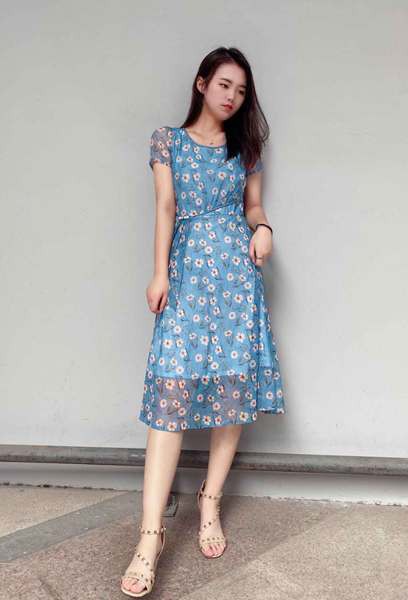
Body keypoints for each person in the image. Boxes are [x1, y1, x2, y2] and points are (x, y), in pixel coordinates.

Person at [121, 46, 286, 597]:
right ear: (201, 83)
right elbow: (166, 206)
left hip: (237, 276)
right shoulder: (167, 140)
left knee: (231, 393)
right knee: (170, 398)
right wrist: (158, 273)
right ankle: (150, 538)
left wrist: (263, 229)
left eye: (240, 90)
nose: (231, 96)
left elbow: (253, 207)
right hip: (187, 272)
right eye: (223, 85)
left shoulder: (246, 149)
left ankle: (209, 501)